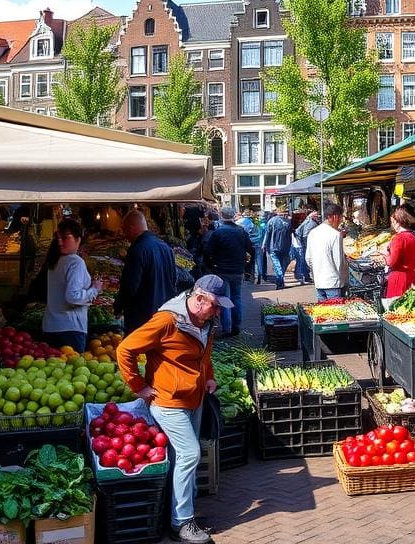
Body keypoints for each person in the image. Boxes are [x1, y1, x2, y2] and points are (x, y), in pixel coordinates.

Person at [116, 275, 232, 544]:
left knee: (184, 457)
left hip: (195, 398)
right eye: (214, 305)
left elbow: (205, 353)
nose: (218, 311)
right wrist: (139, 387)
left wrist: (210, 376)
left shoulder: (206, 321)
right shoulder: (167, 321)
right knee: (190, 453)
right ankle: (181, 522)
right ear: (199, 298)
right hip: (168, 402)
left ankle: (186, 511)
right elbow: (125, 350)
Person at [40, 219, 100, 352]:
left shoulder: (55, 261)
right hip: (70, 329)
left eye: (65, 238)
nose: (60, 242)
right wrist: (94, 289)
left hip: (50, 327)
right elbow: (73, 297)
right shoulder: (75, 262)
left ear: (78, 239)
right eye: (59, 238)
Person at [115, 210, 178, 333]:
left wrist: (119, 306)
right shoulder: (165, 247)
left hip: (142, 317)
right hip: (163, 313)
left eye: (125, 230)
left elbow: (130, 287)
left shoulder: (137, 250)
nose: (124, 235)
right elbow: (174, 279)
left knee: (140, 351)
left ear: (132, 228)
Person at [201, 206, 254, 336]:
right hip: (237, 270)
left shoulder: (218, 232)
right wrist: (248, 267)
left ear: (221, 215)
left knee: (225, 298)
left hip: (222, 270)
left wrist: (210, 266)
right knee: (236, 297)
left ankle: (227, 328)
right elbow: (251, 250)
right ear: (234, 216)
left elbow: (208, 252)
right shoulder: (241, 231)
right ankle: (236, 326)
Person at [381, 205, 415, 310]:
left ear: (398, 222)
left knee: (397, 309)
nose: (393, 225)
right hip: (412, 277)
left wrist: (384, 257)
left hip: (399, 279)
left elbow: (392, 261)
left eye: (393, 222)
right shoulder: (413, 237)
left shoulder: (399, 238)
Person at [305, 203, 348, 300]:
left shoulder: (313, 233)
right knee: (336, 313)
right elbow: (339, 262)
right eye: (340, 218)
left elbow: (308, 258)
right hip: (333, 283)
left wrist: (316, 272)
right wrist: (344, 280)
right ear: (334, 217)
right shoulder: (335, 235)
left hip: (319, 282)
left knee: (323, 313)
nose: (341, 221)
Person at [261, 206, 292, 290]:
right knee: (283, 264)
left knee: (277, 264)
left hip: (273, 246)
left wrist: (263, 245)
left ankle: (280, 280)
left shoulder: (272, 221)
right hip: (285, 246)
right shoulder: (288, 221)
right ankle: (280, 280)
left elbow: (267, 234)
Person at [294, 211, 320, 284]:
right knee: (305, 260)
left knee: (303, 260)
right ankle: (305, 276)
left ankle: (305, 276)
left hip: (303, 243)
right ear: (313, 217)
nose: (318, 218)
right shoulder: (311, 223)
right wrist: (309, 245)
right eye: (317, 216)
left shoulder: (309, 221)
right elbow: (305, 235)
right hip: (305, 244)